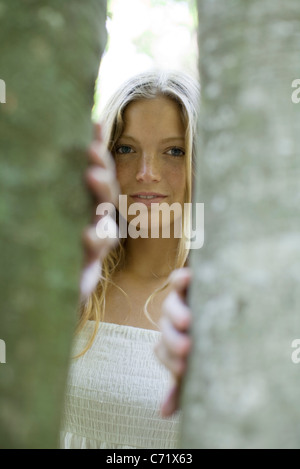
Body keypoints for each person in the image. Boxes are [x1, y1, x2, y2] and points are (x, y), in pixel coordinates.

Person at [60, 70, 198, 449]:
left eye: (174, 151)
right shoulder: (67, 279)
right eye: (126, 149)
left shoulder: (219, 300)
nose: (146, 173)